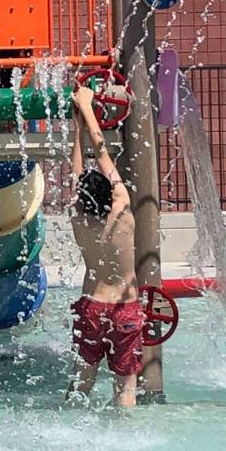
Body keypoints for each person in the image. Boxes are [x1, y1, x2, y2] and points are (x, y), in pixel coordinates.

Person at [66, 86, 143, 407]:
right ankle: (124, 437)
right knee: (125, 387)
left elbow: (76, 175)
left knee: (81, 381)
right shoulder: (123, 213)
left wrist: (76, 128)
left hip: (92, 307)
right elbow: (103, 158)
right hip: (125, 307)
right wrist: (87, 108)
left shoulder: (78, 221)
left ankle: (71, 431)